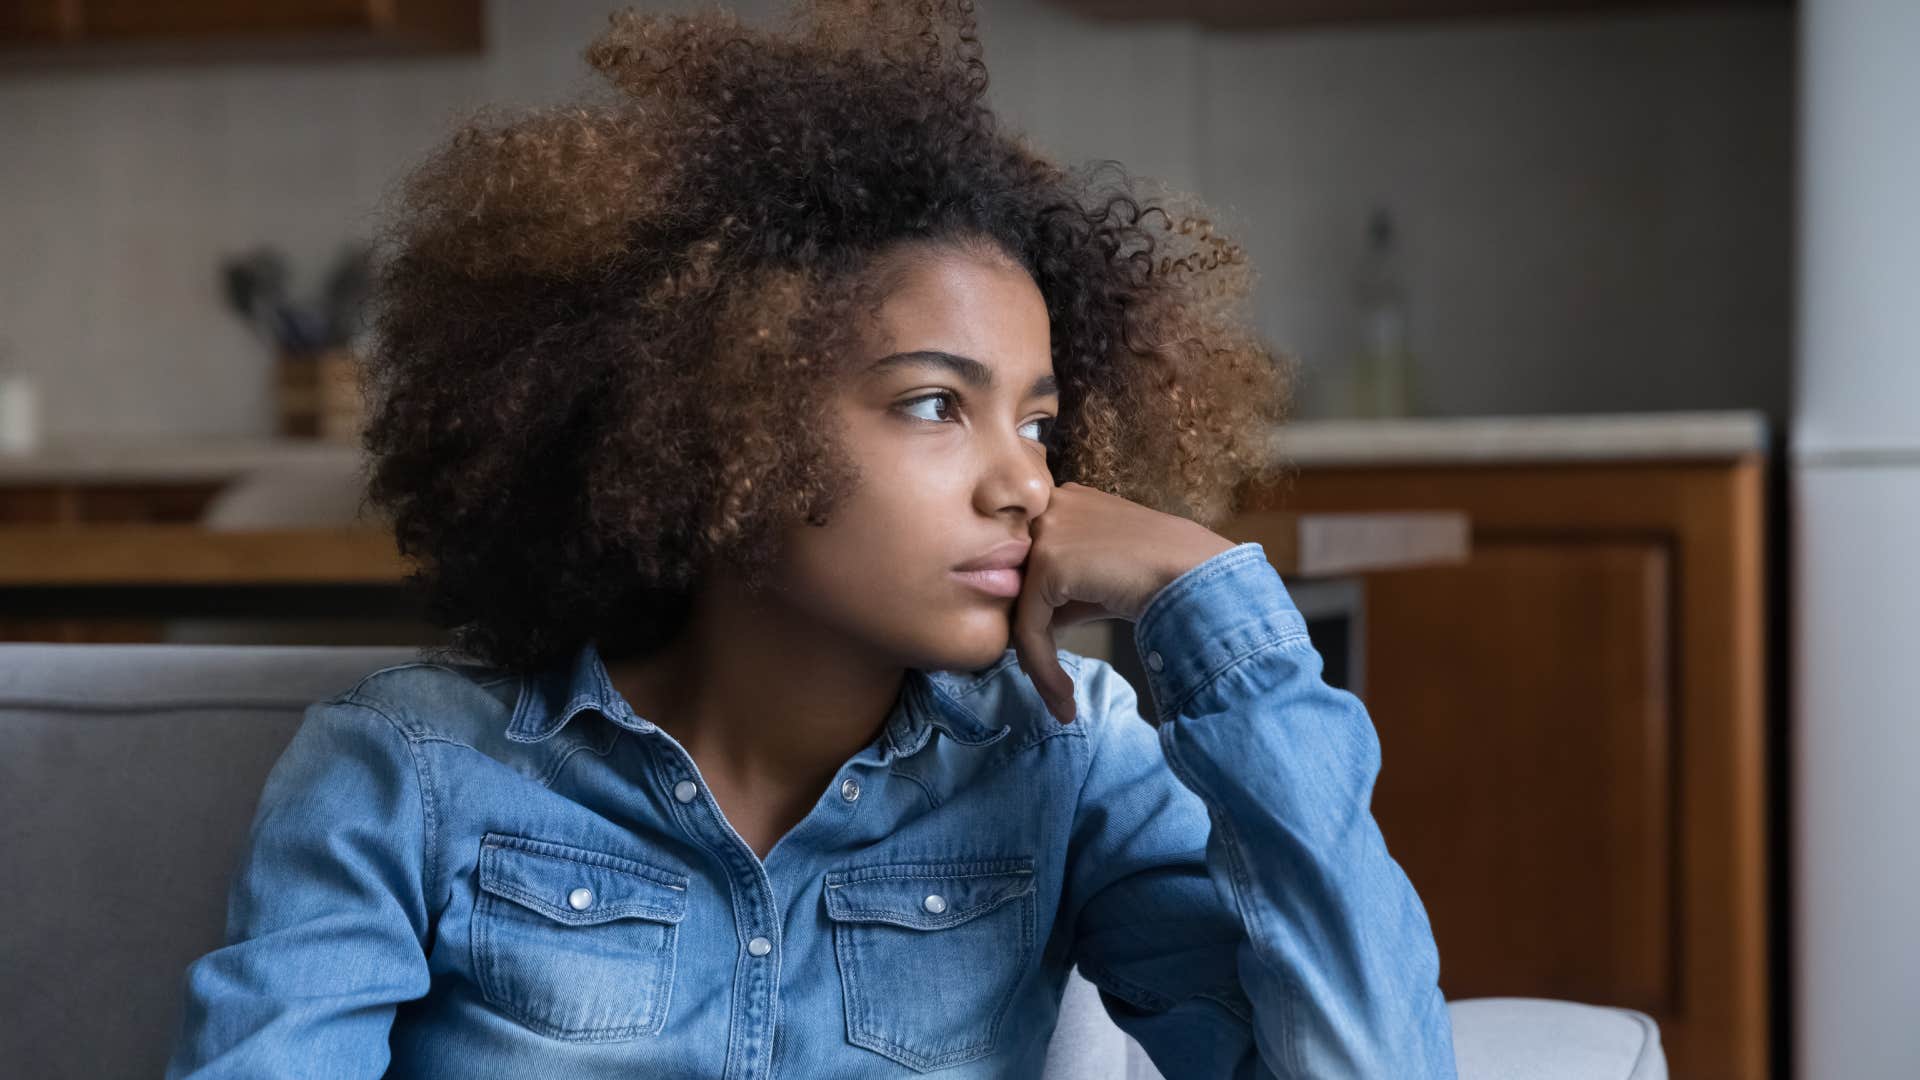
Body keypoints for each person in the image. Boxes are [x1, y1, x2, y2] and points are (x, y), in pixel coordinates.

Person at [165, 1, 1456, 1076]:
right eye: (936, 403)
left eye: (1044, 423)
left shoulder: (1067, 763)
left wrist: (1205, 596)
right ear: (716, 419)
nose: (1025, 483)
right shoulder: (411, 776)